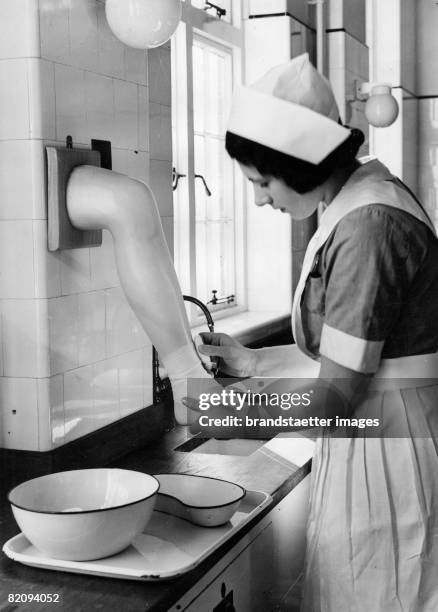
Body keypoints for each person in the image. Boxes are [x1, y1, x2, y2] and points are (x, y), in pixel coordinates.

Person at [193, 53, 438, 611]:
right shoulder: (359, 204)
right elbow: (363, 352)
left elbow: (336, 396)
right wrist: (257, 365)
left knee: (382, 591)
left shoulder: (368, 227)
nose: (259, 198)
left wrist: (229, 416)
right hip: (382, 438)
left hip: (391, 454)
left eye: (262, 180)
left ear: (299, 164)